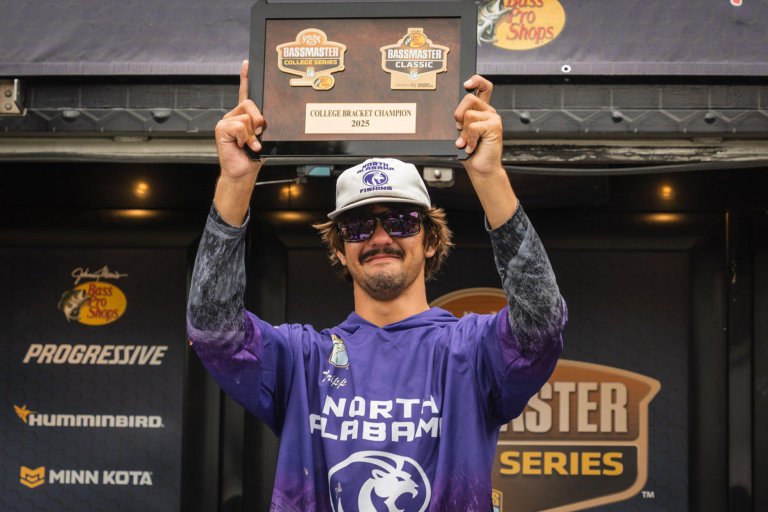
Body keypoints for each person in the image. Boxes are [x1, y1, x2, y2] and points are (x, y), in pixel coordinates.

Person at [187, 60, 567, 512]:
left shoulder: (470, 352)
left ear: (430, 241)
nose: (381, 238)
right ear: (339, 249)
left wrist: (488, 176)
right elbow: (211, 329)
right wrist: (235, 180)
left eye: (402, 221)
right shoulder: (305, 360)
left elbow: (541, 323)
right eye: (359, 226)